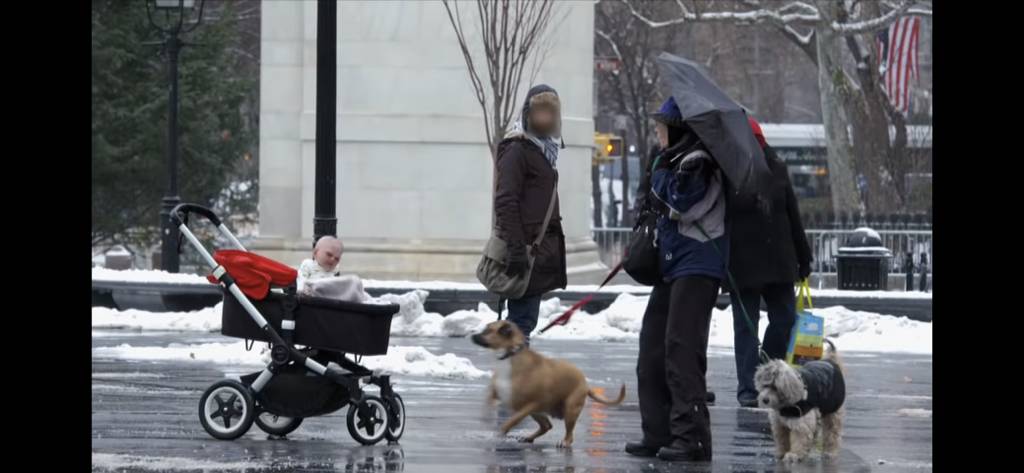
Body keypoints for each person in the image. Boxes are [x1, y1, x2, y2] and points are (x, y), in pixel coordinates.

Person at [625, 96, 727, 462]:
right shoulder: (669, 159)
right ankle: (658, 431)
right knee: (652, 349)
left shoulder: (699, 161)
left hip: (698, 264)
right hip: (671, 263)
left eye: (661, 126)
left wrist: (662, 176)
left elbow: (684, 203)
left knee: (682, 351)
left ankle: (692, 438)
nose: (657, 132)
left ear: (678, 128)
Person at [727, 116, 813, 407]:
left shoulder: (776, 167)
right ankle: (748, 388)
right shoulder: (728, 170)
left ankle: (768, 372)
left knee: (785, 320)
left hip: (779, 261)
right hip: (743, 263)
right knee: (746, 328)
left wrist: (804, 257)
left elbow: (792, 215)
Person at [492, 84, 568, 345]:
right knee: (519, 326)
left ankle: (513, 382)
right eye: (540, 112)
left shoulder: (543, 150)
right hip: (524, 252)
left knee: (522, 326)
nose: (545, 118)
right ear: (528, 113)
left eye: (551, 113)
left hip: (536, 256)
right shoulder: (518, 150)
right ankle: (514, 383)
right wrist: (515, 249)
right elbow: (505, 201)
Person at [298, 236, 368, 302]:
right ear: (315, 253)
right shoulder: (308, 264)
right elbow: (301, 279)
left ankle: (360, 295)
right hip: (311, 294)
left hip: (329, 298)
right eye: (329, 254)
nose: (332, 259)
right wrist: (302, 290)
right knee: (353, 280)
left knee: (353, 281)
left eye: (337, 259)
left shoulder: (334, 271)